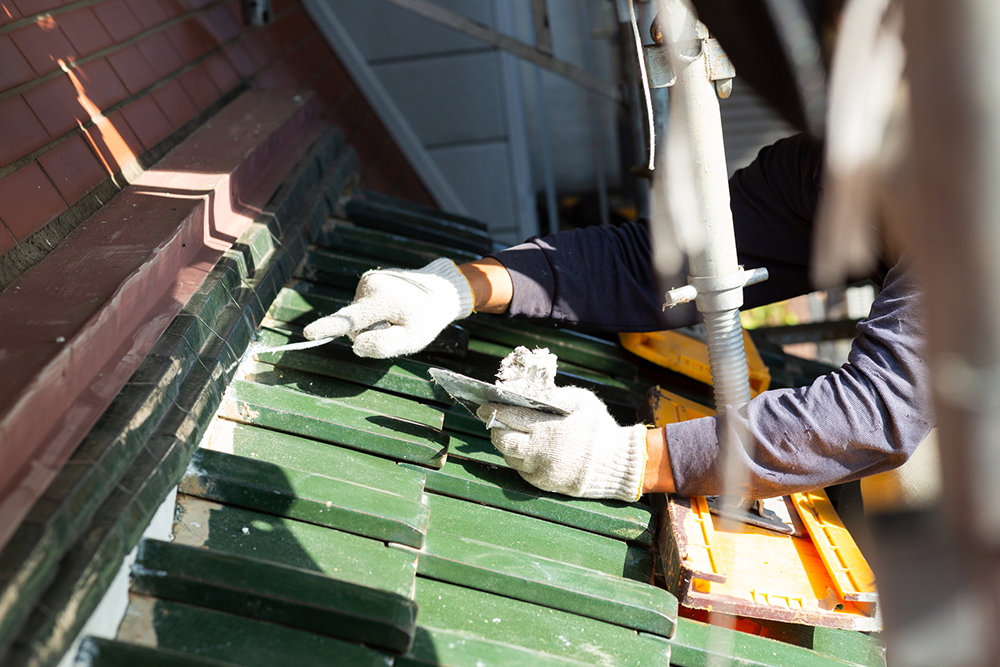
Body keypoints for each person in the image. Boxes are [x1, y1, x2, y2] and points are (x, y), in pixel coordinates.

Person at [304, 133, 933, 504]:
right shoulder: (850, 154)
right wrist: (454, 288)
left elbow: (879, 412)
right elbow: (661, 266)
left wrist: (627, 459)